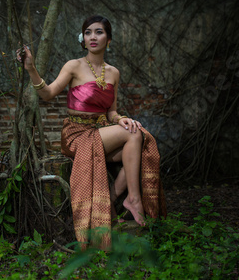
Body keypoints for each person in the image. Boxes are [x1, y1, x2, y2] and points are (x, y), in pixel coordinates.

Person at [16, 15, 166, 248]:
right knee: (135, 134)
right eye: (88, 32)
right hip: (76, 133)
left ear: (109, 39)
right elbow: (47, 94)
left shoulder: (113, 73)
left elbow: (112, 113)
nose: (93, 37)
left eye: (99, 32)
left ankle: (115, 197)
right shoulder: (73, 66)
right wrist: (31, 68)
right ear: (83, 39)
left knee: (141, 139)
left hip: (101, 130)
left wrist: (123, 119)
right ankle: (133, 200)